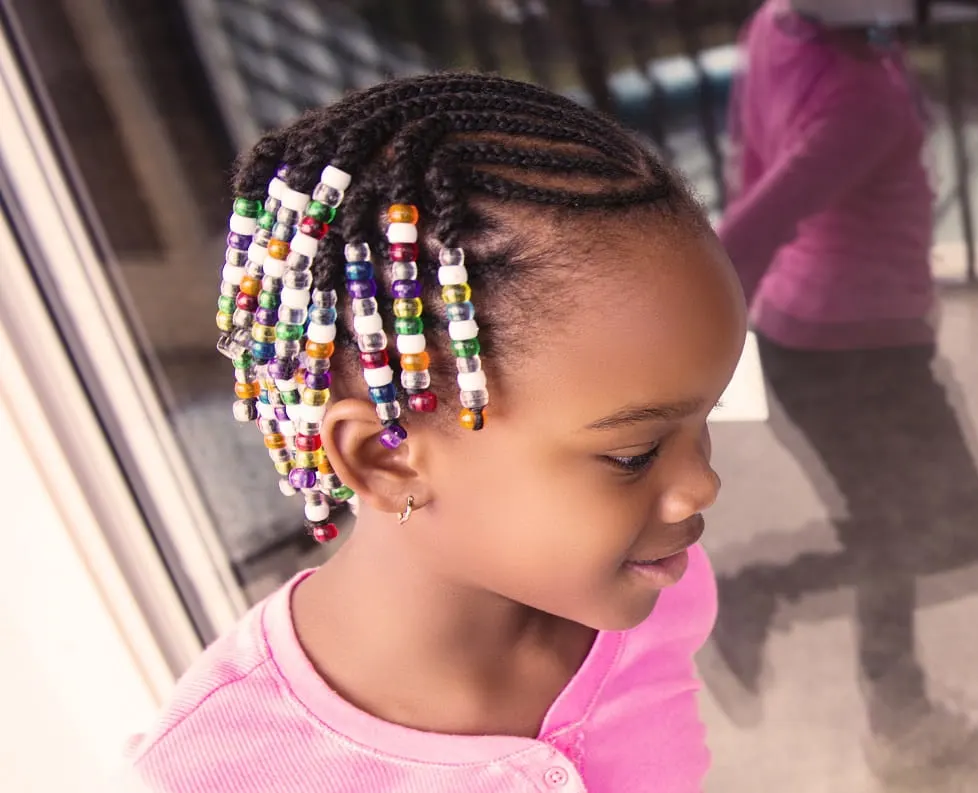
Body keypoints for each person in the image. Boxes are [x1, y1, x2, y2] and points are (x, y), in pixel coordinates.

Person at [120, 73, 746, 792]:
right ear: (383, 458)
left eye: (706, 417)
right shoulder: (215, 773)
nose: (703, 483)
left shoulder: (654, 592)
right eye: (634, 454)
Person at [716, 0, 978, 778]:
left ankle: (901, 717)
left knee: (889, 529)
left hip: (812, 340)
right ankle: (758, 591)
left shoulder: (778, 24)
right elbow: (751, 228)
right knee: (958, 532)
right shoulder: (864, 98)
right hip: (860, 357)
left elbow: (751, 173)